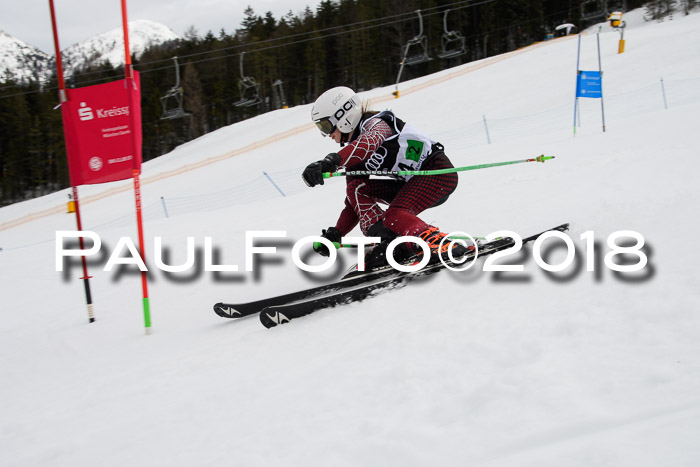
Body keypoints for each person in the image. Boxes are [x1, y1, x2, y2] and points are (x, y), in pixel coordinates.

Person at [302, 86, 465, 270]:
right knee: (357, 189)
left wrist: (332, 161)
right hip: (411, 184)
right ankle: (392, 242)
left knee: (393, 214)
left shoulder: (377, 122)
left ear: (343, 117)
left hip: (437, 173)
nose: (327, 134)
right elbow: (353, 203)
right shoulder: (354, 156)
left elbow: (370, 141)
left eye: (325, 126)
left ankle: (435, 241)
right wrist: (337, 232)